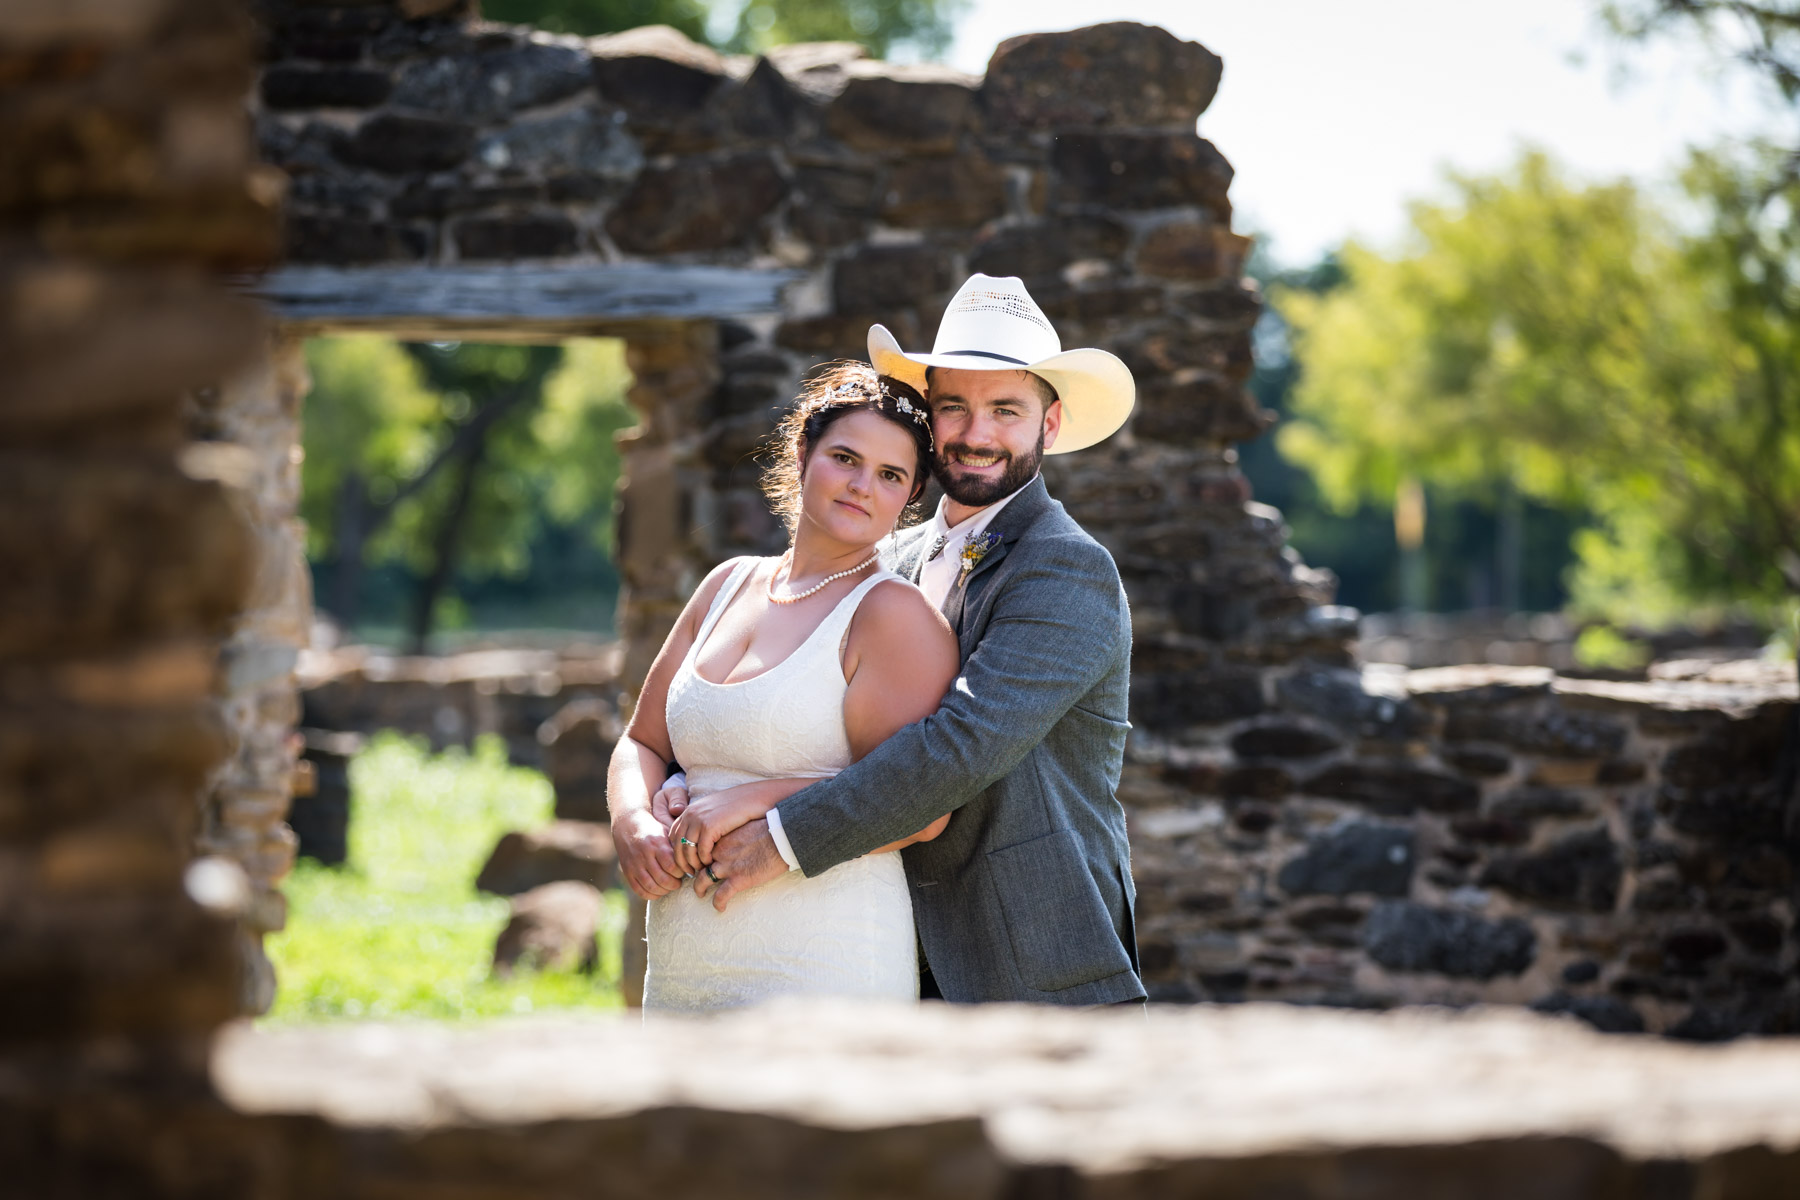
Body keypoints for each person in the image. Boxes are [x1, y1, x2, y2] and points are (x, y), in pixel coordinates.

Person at [661, 273, 1148, 1006]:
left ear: (1049, 426)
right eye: (954, 406)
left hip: (1026, 960)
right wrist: (690, 782)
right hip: (877, 944)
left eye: (1005, 410)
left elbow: (961, 746)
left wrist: (776, 827)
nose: (977, 434)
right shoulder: (891, 558)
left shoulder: (1067, 569)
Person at [607, 363, 958, 1012]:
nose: (861, 486)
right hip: (684, 966)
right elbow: (643, 740)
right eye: (845, 458)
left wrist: (754, 800)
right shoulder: (725, 585)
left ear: (909, 497)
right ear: (803, 454)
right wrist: (630, 819)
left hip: (824, 961)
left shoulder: (892, 618)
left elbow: (922, 807)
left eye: (890, 476)